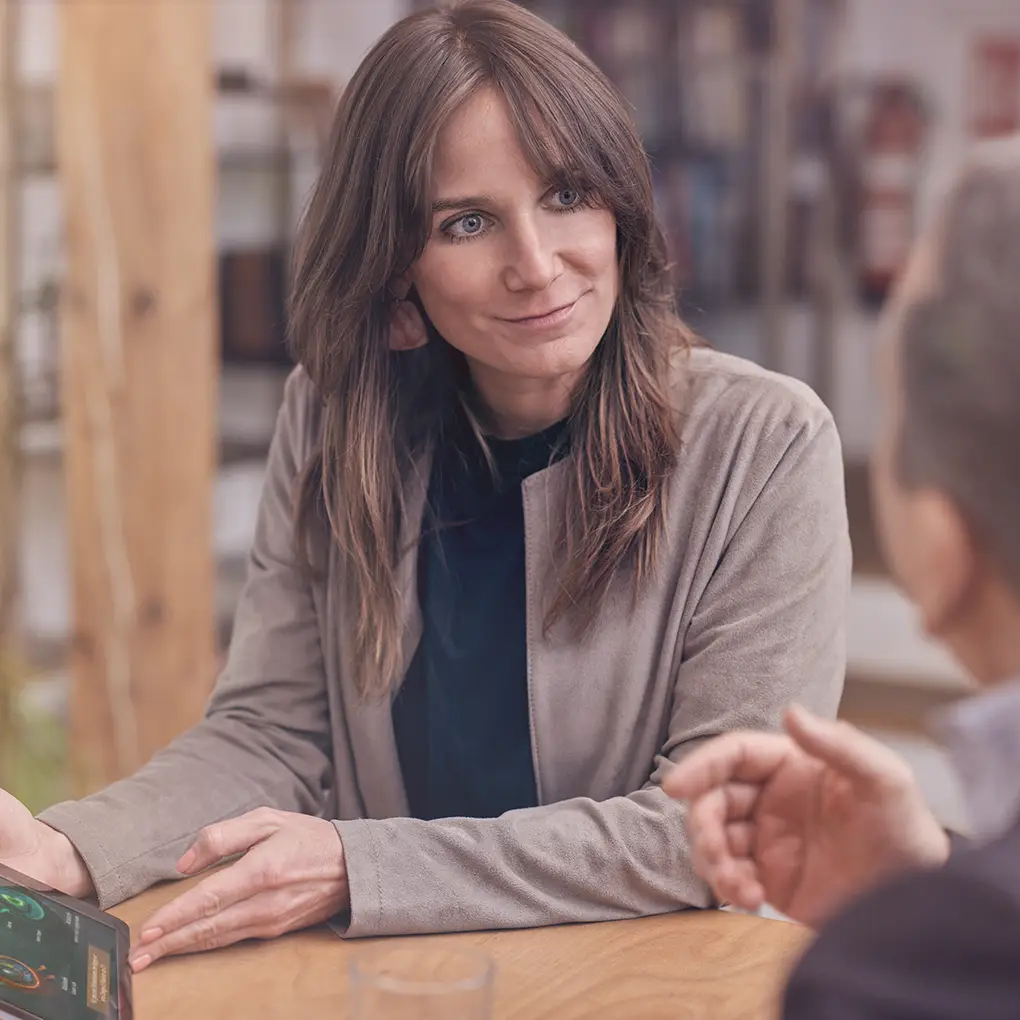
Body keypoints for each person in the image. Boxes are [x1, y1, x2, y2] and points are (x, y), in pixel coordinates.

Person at [0, 0, 849, 969]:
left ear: (620, 203)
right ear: (394, 263)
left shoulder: (766, 445)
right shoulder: (334, 417)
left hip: (645, 984)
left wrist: (362, 868)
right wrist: (70, 847)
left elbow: (710, 828)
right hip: (400, 980)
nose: (537, 265)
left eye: (568, 194)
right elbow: (272, 736)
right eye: (467, 222)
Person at [665, 137, 1020, 1018]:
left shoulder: (897, 980)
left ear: (943, 544)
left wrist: (931, 922)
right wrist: (935, 875)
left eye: (895, 406)